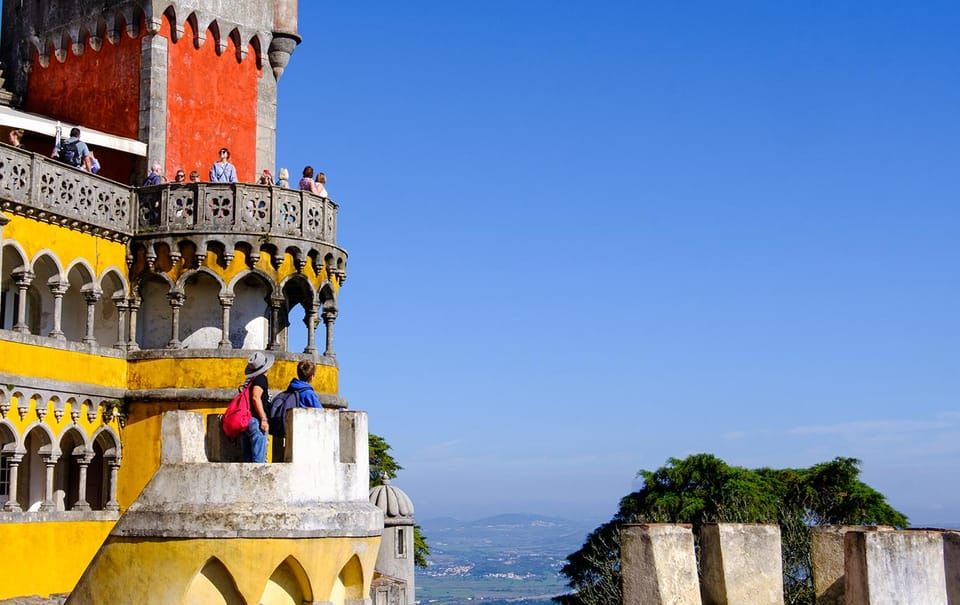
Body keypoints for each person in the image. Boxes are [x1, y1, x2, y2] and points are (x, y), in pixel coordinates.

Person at [268, 360, 322, 460]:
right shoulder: (308, 393)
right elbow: (321, 413)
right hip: (302, 433)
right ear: (311, 377)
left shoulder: (290, 389)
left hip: (286, 431)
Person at [241, 351, 273, 463]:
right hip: (256, 421)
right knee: (259, 462)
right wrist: (263, 419)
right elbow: (255, 397)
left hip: (248, 420)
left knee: (248, 461)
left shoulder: (251, 380)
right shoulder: (261, 379)